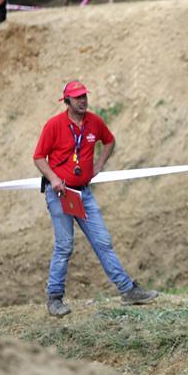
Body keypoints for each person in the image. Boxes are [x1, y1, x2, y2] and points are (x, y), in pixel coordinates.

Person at [33, 80, 158, 317]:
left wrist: (99, 164)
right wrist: (54, 178)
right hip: (59, 193)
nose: (82, 101)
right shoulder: (54, 125)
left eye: (84, 96)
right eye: (77, 97)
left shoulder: (94, 122)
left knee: (103, 241)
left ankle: (127, 290)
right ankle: (54, 298)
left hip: (83, 192)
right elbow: (39, 157)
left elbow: (109, 141)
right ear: (67, 101)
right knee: (64, 246)